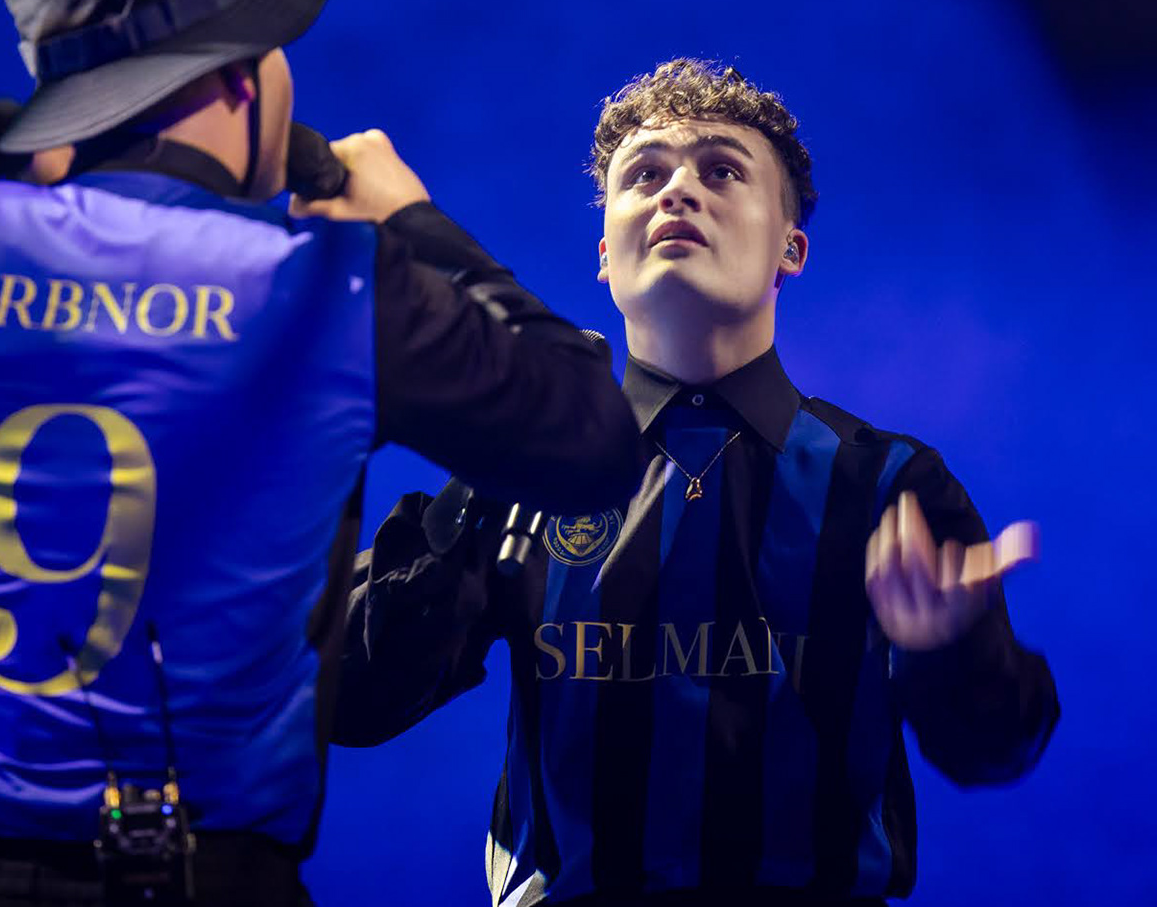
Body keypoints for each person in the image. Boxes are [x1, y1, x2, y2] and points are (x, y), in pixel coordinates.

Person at [0, 0, 640, 906]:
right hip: (205, 881)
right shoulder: (325, 284)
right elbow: (589, 439)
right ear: (242, 80)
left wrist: (30, 125)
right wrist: (413, 226)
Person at [337, 58, 1058, 906]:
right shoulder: (522, 473)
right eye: (645, 175)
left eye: (721, 170)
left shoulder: (888, 482)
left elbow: (998, 750)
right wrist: (475, 478)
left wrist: (951, 650)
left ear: (791, 247)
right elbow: (351, 702)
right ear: (605, 256)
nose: (678, 189)